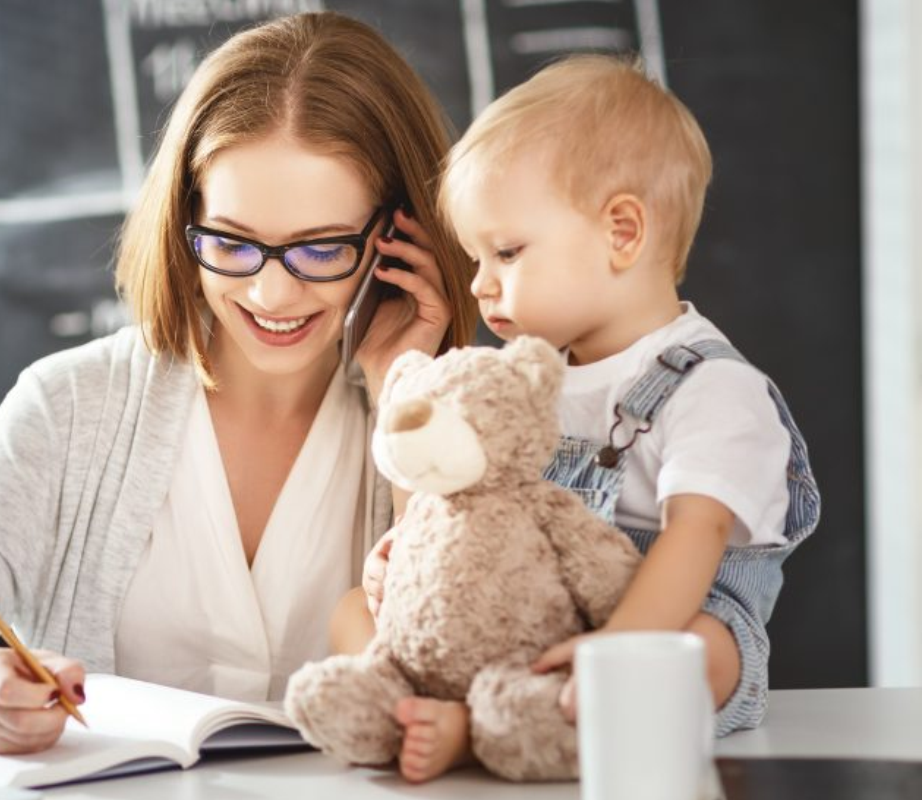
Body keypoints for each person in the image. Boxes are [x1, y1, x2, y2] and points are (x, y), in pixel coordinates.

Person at [0, 11, 477, 756]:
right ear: (185, 220)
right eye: (231, 242)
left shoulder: (459, 421)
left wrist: (407, 392)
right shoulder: (71, 406)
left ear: (397, 238)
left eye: (320, 249)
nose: (270, 295)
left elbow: (459, 678)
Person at [335, 54, 820, 783]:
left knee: (703, 650)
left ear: (622, 232)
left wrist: (618, 647)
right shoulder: (527, 380)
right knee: (349, 609)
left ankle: (478, 730)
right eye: (474, 257)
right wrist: (410, 558)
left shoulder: (714, 387)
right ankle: (415, 702)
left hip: (657, 626)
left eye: (506, 252)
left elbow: (696, 536)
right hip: (531, 616)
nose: (479, 283)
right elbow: (463, 496)